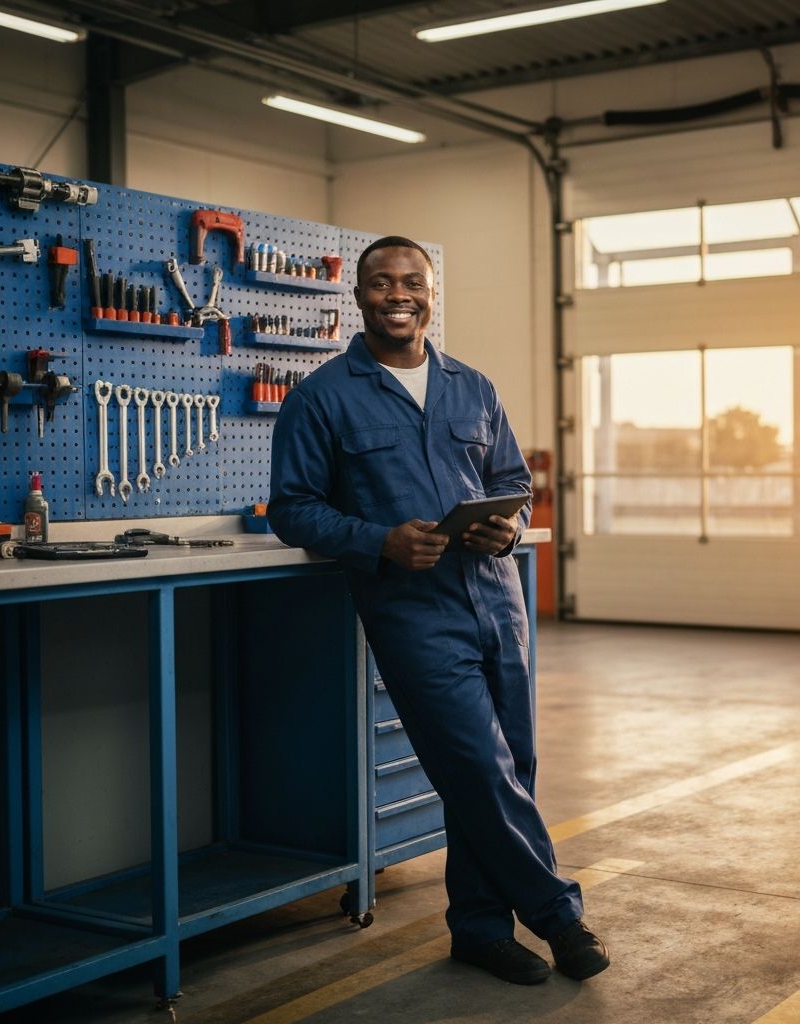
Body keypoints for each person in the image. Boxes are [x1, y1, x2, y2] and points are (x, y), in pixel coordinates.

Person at [269, 236, 609, 985]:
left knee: (507, 769)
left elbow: (511, 478)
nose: (400, 294)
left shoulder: (473, 387)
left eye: (413, 282)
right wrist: (378, 542)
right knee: (478, 768)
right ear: (357, 297)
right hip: (413, 611)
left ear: (431, 294)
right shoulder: (322, 396)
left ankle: (480, 930)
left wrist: (508, 525)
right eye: (382, 282)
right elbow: (291, 511)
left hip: (498, 600)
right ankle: (558, 914)